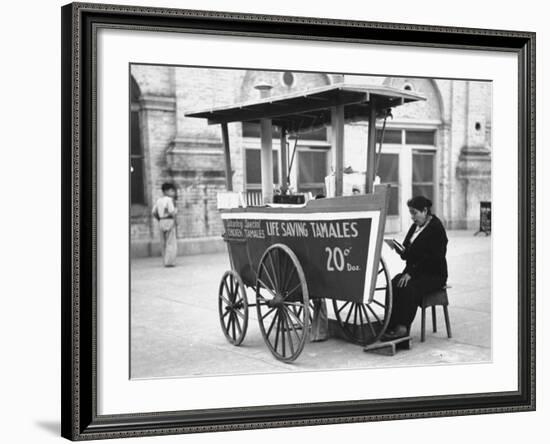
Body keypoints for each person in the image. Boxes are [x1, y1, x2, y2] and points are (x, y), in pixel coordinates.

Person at [382, 196, 448, 340]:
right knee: (393, 284)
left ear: (425, 211)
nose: (412, 217)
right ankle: (390, 323)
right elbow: (408, 252)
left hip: (433, 273)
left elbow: (434, 258)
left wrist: (411, 273)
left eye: (414, 213)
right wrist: (400, 250)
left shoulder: (436, 228)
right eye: (410, 213)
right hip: (414, 271)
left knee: (408, 287)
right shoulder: (416, 226)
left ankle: (402, 328)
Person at [152, 183, 178, 267]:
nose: (173, 193)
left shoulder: (159, 200)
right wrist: (175, 217)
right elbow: (171, 211)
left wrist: (159, 219)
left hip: (161, 221)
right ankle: (169, 262)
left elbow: (154, 212)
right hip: (169, 220)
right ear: (166, 191)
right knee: (170, 242)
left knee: (163, 242)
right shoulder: (169, 200)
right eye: (172, 191)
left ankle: (164, 260)